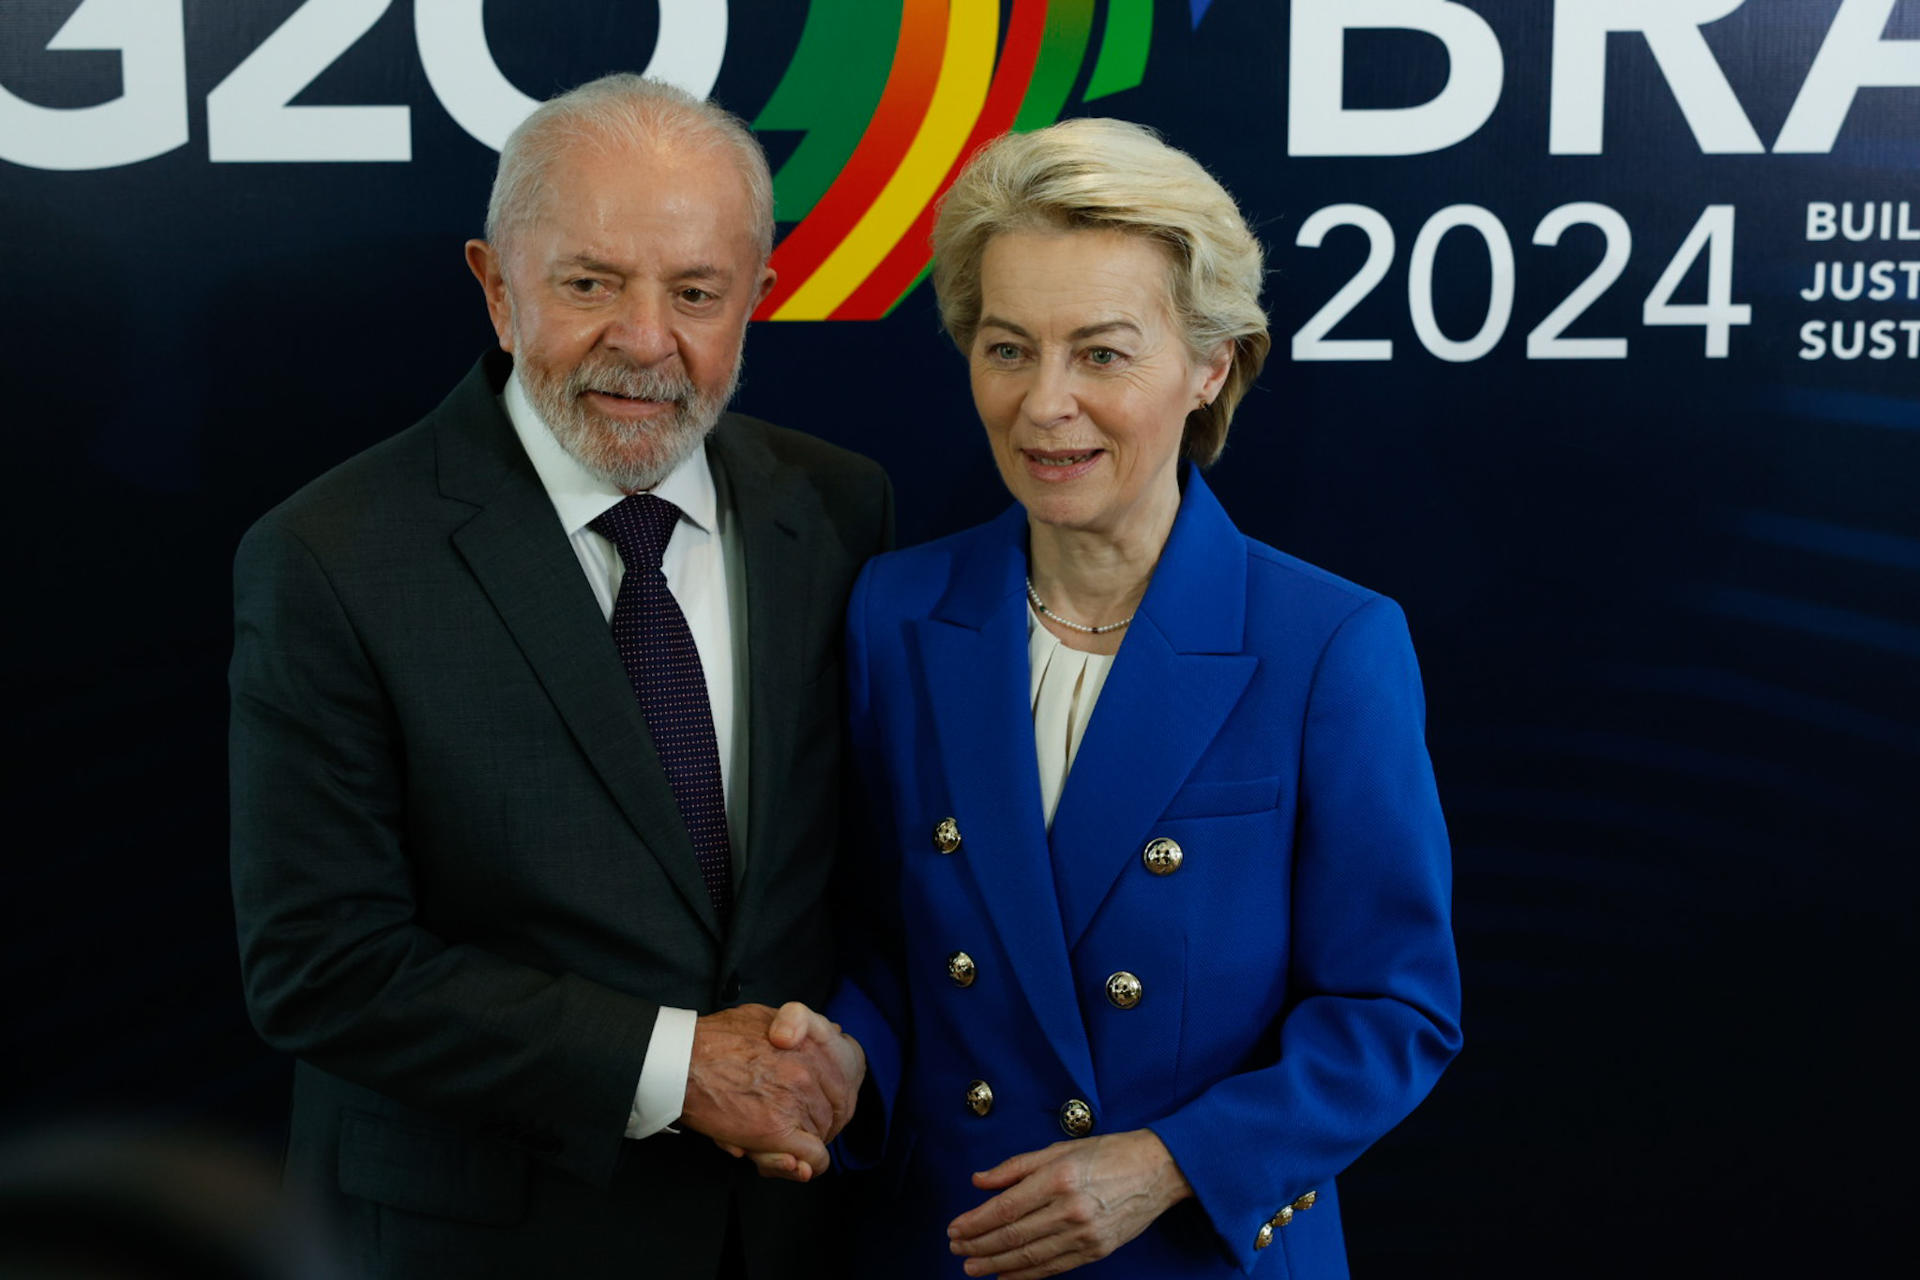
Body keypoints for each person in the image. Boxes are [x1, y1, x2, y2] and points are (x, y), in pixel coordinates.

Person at [228, 74, 888, 1279]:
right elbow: (320, 962)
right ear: (496, 286)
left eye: (696, 292)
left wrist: (858, 1053)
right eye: (589, 283)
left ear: (759, 297)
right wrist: (674, 1063)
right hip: (480, 1243)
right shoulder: (331, 554)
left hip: (797, 1231)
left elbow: (869, 874)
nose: (644, 338)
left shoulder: (840, 507)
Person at [812, 118, 1463, 1277]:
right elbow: (873, 942)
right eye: (1008, 348)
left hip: (1196, 1250)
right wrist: (840, 1058)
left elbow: (1392, 1008)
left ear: (1211, 364)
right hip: (958, 1244)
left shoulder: (1329, 642)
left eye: (1102, 354)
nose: (1045, 403)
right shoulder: (893, 611)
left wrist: (1170, 1160)